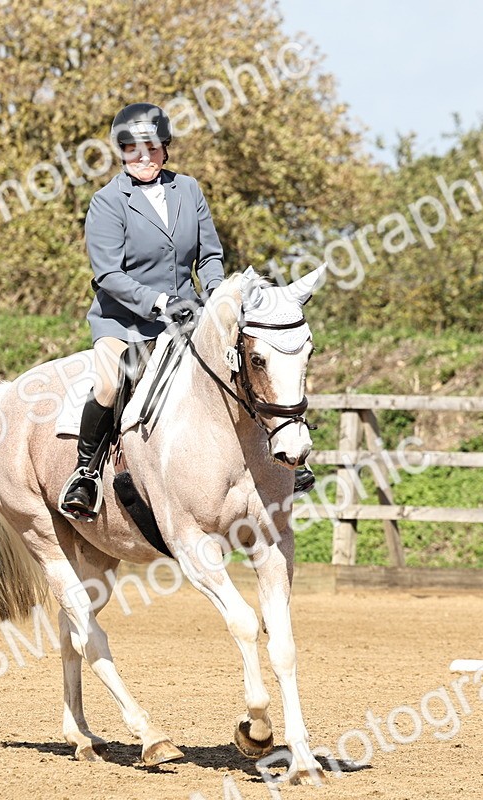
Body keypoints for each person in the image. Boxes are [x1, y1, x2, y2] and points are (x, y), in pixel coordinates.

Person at [59, 103, 313, 522]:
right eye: (131, 149)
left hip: (190, 314)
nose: (142, 158)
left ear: (165, 148)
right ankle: (85, 472)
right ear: (121, 151)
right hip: (124, 320)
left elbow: (210, 255)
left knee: (254, 363)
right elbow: (109, 275)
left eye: (151, 148)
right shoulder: (107, 202)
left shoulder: (188, 190)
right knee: (111, 381)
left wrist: (217, 296)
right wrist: (159, 303)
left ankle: (284, 459)